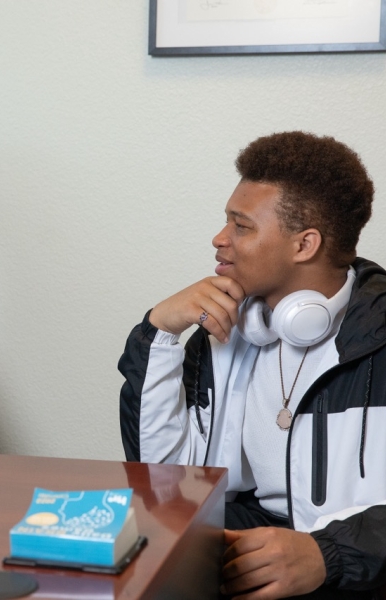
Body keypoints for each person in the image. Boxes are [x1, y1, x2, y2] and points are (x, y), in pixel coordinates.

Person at [119, 131, 386, 599]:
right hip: (255, 559)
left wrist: (329, 554)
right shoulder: (229, 331)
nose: (219, 239)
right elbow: (167, 482)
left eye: (241, 226)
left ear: (304, 245)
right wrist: (159, 332)